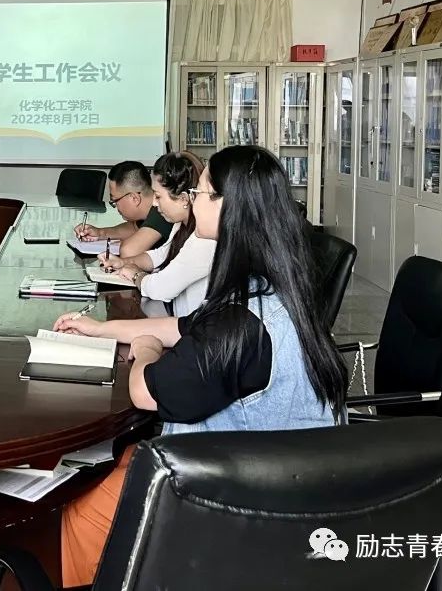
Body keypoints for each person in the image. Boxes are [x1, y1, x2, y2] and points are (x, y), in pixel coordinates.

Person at [54, 145, 348, 587]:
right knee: (116, 461)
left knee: (81, 510)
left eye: (203, 193)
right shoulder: (272, 287)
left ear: (232, 208)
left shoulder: (240, 324)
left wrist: (145, 348)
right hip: (283, 467)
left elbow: (145, 391)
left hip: (239, 492)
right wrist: (100, 329)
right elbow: (185, 326)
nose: (192, 199)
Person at [98, 151, 214, 317]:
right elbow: (160, 255)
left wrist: (136, 275)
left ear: (183, 199)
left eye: (158, 196)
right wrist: (123, 263)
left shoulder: (204, 239)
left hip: (190, 323)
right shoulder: (181, 225)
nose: (153, 203)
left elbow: (159, 288)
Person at [73, 160, 172, 259]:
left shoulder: (162, 211)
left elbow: (128, 252)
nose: (115, 206)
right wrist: (100, 233)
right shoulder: (150, 208)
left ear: (134, 198)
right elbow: (134, 228)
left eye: (115, 200)